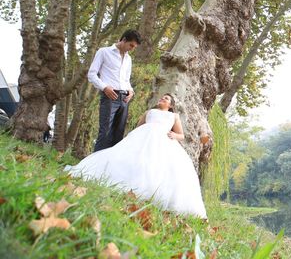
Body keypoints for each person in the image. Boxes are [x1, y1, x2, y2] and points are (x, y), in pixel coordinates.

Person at [66, 93, 207, 219]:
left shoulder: (174, 116)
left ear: (170, 105)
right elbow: (139, 126)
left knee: (158, 165)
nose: (162, 99)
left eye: (166, 99)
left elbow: (182, 135)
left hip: (163, 141)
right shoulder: (149, 112)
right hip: (143, 138)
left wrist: (174, 134)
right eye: (162, 97)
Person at [88, 29, 142, 152]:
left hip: (125, 98)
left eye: (134, 47)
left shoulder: (129, 59)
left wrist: (131, 91)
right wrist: (104, 87)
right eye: (131, 45)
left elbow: (126, 79)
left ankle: (110, 168)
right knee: (105, 131)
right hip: (110, 96)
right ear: (123, 40)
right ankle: (94, 167)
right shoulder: (104, 52)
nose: (132, 48)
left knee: (119, 133)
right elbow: (91, 74)